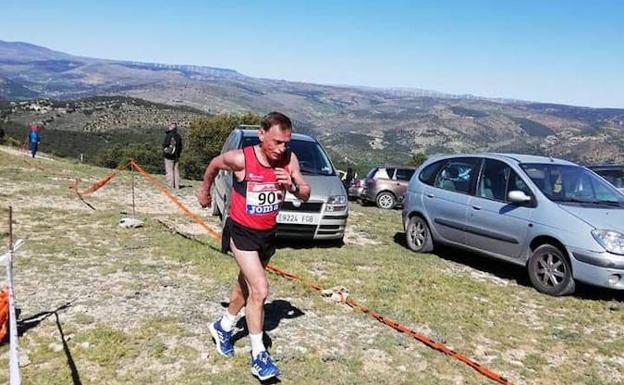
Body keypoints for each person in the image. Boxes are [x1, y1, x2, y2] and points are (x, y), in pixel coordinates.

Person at [197, 112, 310, 381]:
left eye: (286, 142)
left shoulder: (288, 159)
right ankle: (259, 356)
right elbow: (214, 164)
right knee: (260, 289)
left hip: (267, 235)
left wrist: (292, 186)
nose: (282, 148)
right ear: (261, 135)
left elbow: (305, 192)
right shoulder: (241, 159)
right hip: (241, 233)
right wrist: (205, 191)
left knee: (245, 286)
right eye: (277, 142)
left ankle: (223, 327)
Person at [163, 122, 183, 189]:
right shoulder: (178, 136)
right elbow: (180, 147)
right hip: (176, 156)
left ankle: (170, 185)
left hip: (169, 156)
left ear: (171, 127)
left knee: (169, 170)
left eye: (169, 126)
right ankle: (177, 185)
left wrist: (165, 151)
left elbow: (166, 144)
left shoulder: (169, 135)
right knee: (176, 170)